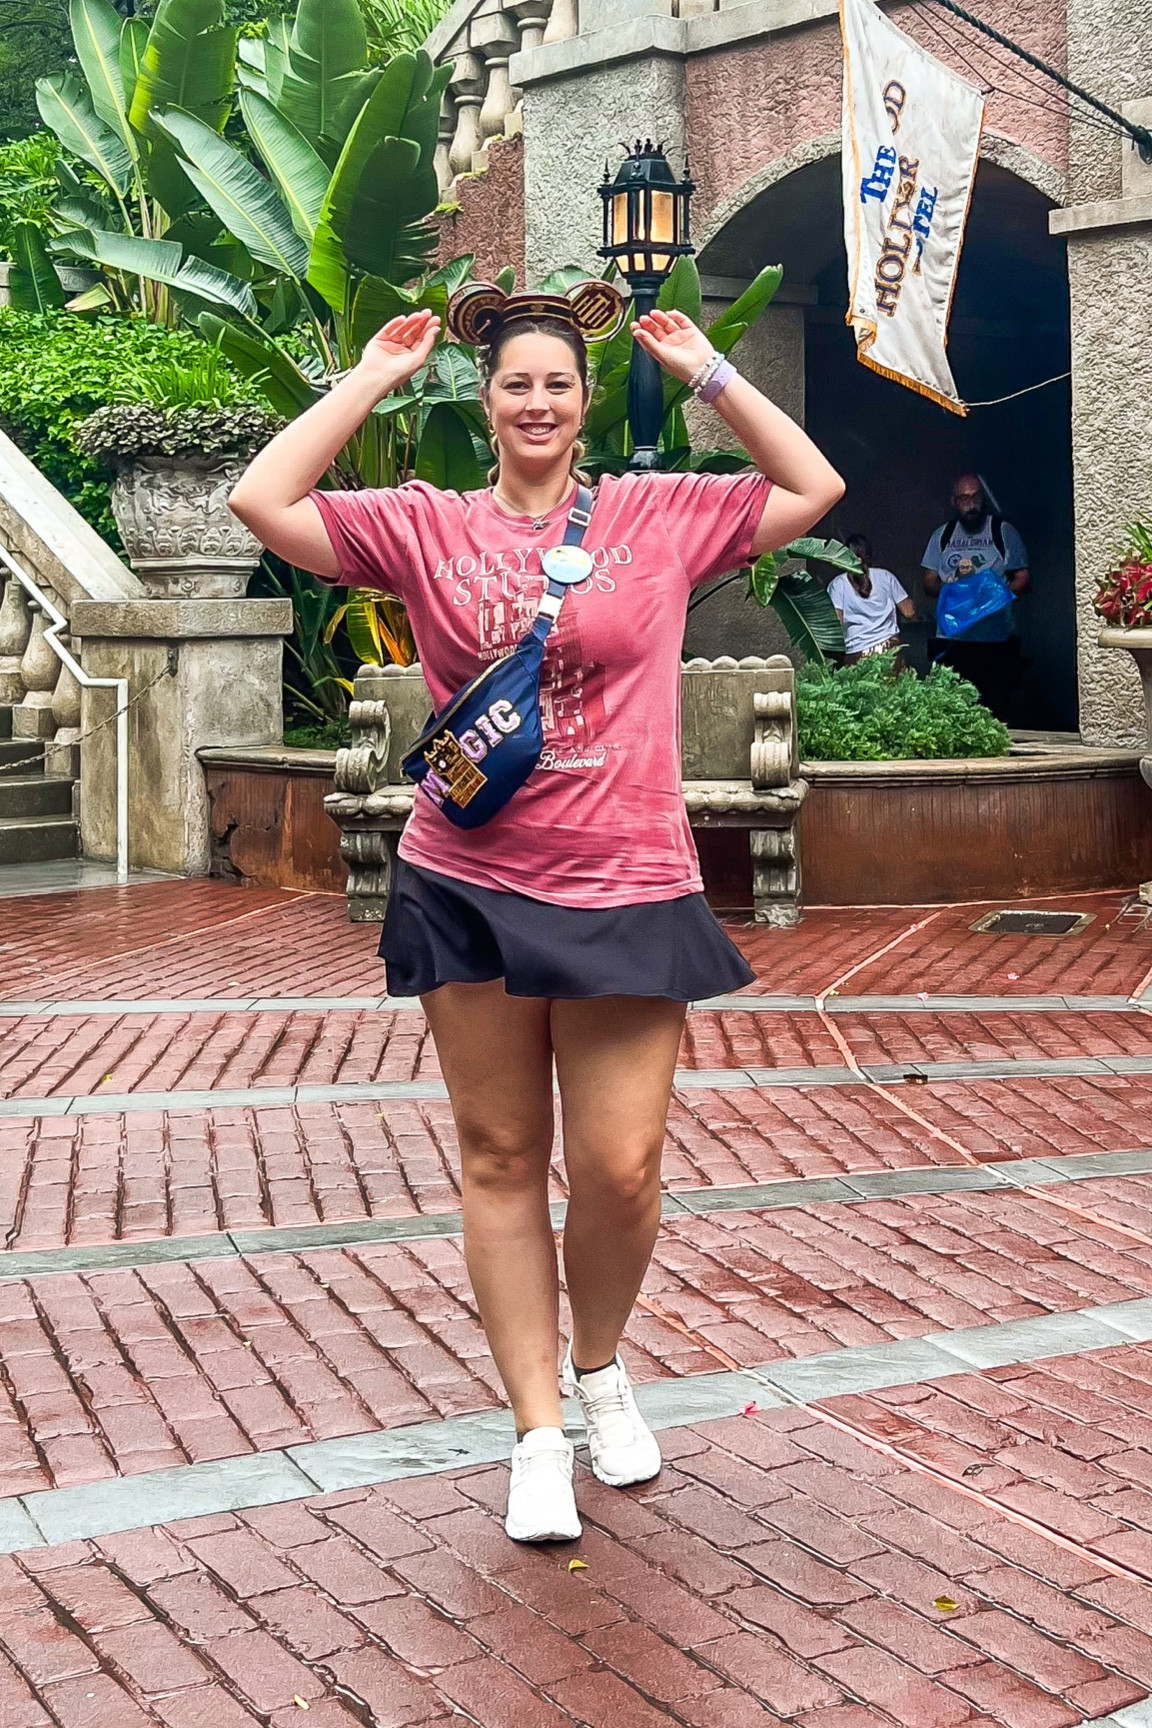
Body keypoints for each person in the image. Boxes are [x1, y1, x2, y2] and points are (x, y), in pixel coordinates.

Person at [228, 282, 844, 1545]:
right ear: (489, 397)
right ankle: (535, 1432)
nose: (538, 401)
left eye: (558, 382)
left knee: (619, 1168)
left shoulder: (658, 515)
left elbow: (814, 487)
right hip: (471, 877)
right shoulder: (424, 526)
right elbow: (263, 504)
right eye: (516, 382)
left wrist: (708, 375)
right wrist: (373, 381)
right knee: (503, 1160)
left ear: (579, 398)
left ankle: (602, 1364)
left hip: (626, 880)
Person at [922, 474, 1029, 719]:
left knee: (995, 713)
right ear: (954, 502)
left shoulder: (1002, 532)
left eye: (975, 497)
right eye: (964, 498)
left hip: (994, 641)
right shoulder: (943, 535)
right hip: (953, 640)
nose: (971, 504)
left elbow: (1022, 579)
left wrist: (994, 597)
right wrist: (955, 589)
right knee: (951, 711)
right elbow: (929, 583)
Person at [829, 533, 915, 665]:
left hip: (856, 653)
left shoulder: (837, 584)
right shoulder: (886, 576)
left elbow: (836, 625)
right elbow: (909, 612)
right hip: (889, 651)